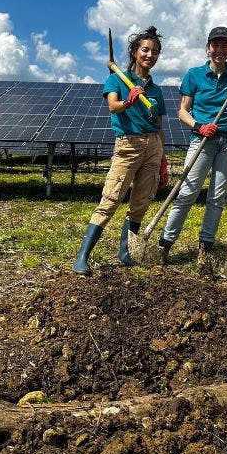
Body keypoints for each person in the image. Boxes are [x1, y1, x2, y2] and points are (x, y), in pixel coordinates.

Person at [73, 26, 169, 275]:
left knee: (141, 202)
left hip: (153, 147)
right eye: (145, 50)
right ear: (135, 52)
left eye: (155, 52)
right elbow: (113, 106)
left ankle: (125, 252)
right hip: (128, 145)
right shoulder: (116, 78)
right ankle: (83, 256)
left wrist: (163, 159)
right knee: (111, 199)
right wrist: (129, 101)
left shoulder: (156, 90)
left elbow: (159, 126)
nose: (150, 55)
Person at [157, 26, 227, 274]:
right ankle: (165, 243)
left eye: (225, 45)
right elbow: (182, 111)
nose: (219, 50)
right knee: (186, 192)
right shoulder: (194, 75)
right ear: (208, 48)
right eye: (215, 45)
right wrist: (199, 126)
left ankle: (205, 247)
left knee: (217, 197)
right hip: (202, 140)